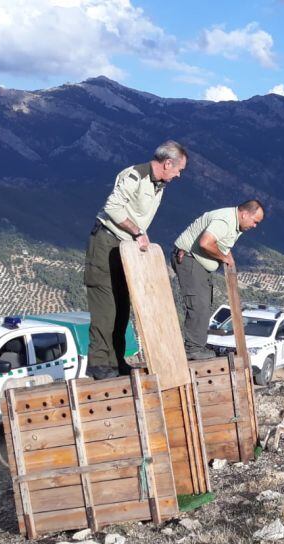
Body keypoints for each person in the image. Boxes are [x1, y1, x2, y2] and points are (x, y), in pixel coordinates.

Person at [85, 140, 188, 380]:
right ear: (167, 163)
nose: (179, 175)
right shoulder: (135, 175)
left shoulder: (158, 184)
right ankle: (100, 363)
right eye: (178, 169)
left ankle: (116, 361)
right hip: (106, 242)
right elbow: (113, 207)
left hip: (126, 247)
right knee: (105, 305)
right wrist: (137, 232)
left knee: (122, 306)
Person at [172, 200, 265, 360]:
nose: (255, 226)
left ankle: (195, 347)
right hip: (190, 259)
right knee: (198, 304)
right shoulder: (226, 220)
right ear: (244, 214)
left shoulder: (236, 223)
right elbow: (205, 243)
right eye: (255, 221)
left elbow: (221, 243)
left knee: (204, 304)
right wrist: (223, 257)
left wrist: (227, 255)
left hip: (199, 264)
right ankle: (192, 349)